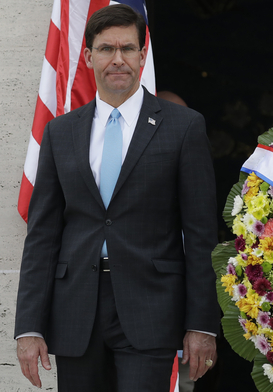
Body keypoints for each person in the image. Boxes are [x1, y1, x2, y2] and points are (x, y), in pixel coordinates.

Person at [14, 4, 220, 391]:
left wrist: (201, 324)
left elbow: (200, 234)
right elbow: (42, 236)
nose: (118, 59)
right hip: (75, 311)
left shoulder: (184, 128)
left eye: (128, 48)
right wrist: (28, 326)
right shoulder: (60, 133)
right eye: (107, 49)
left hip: (151, 309)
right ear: (89, 56)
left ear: (143, 55)